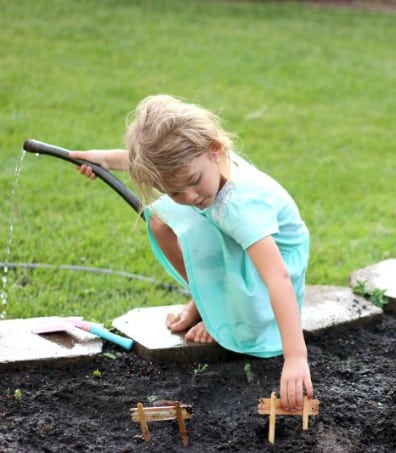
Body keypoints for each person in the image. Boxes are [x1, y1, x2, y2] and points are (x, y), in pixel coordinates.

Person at [70, 94, 313, 410]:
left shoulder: (242, 206)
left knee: (245, 307)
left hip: (273, 262)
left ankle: (221, 309)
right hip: (235, 234)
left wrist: (296, 357)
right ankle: (206, 299)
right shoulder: (203, 169)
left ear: (215, 151)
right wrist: (104, 159)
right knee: (160, 219)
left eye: (192, 182)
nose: (188, 196)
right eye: (174, 191)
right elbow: (157, 166)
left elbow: (277, 276)